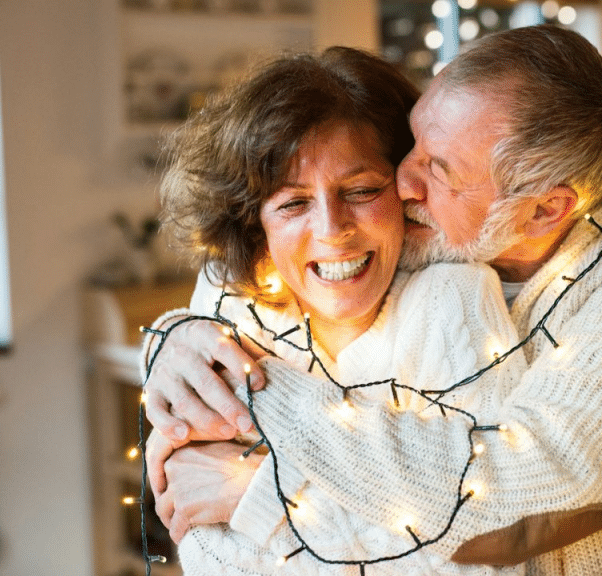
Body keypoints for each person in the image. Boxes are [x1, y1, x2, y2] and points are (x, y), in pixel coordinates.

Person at [146, 25, 602, 574]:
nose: (402, 182)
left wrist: (262, 460)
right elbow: (251, 266)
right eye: (417, 141)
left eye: (439, 168)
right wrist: (177, 341)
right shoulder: (421, 221)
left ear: (543, 210)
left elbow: (511, 510)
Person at [145, 47, 528, 574]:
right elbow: (207, 551)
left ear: (408, 187)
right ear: (254, 219)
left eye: (363, 190)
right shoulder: (232, 297)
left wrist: (262, 501)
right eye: (293, 203)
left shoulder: (453, 303)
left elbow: (490, 555)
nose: (333, 230)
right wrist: (164, 338)